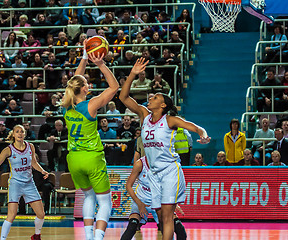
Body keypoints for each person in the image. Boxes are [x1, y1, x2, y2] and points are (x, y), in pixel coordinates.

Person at [119, 58, 210, 240]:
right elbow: (123, 97)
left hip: (169, 171)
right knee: (161, 216)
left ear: (163, 105)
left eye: (155, 97)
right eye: (151, 96)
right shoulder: (144, 115)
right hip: (153, 173)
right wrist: (133, 74)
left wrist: (203, 133)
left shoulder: (169, 120)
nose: (150, 98)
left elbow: (192, 126)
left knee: (167, 216)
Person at [61, 40, 119, 240]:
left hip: (74, 159)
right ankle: (98, 238)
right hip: (92, 157)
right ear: (84, 89)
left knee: (88, 196)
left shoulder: (66, 105)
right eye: (87, 84)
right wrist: (101, 64)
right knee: (105, 202)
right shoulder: (91, 105)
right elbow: (114, 87)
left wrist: (84, 56)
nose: (89, 84)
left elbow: (75, 80)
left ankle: (87, 237)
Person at [0, 125, 49, 240]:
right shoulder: (8, 149)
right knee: (12, 215)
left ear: (25, 134)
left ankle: (36, 235)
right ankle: (2, 238)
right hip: (15, 184)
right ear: (13, 134)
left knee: (41, 214)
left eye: (22, 132)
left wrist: (43, 171)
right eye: (17, 132)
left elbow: (34, 163)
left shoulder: (31, 146)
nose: (20, 134)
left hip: (29, 183)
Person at [121, 156, 188, 240]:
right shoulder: (140, 164)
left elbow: (168, 187)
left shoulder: (165, 164)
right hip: (142, 200)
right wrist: (140, 204)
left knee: (179, 228)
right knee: (132, 226)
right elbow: (128, 186)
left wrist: (173, 203)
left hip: (159, 201)